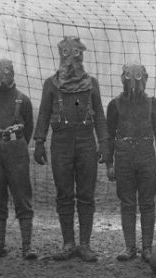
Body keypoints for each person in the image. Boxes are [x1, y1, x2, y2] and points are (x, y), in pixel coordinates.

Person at [33, 36, 108, 262]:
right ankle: (68, 243)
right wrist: (39, 141)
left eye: (77, 55)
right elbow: (44, 113)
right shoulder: (51, 84)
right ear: (61, 57)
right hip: (61, 142)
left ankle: (84, 245)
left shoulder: (91, 84)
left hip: (86, 140)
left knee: (86, 194)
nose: (72, 62)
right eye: (68, 56)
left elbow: (100, 116)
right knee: (64, 193)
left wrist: (103, 142)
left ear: (82, 56)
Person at [105, 63, 156, 262]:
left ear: (146, 79)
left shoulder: (153, 104)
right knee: (127, 202)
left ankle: (146, 248)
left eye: (138, 77)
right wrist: (109, 165)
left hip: (146, 154)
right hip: (123, 156)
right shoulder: (115, 104)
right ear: (122, 79)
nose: (133, 82)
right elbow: (109, 135)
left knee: (147, 202)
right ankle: (130, 247)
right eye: (129, 77)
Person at [0, 59, 37, 260]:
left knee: (22, 195)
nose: (2, 77)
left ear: (12, 73)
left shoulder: (23, 100)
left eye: (6, 72)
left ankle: (27, 246)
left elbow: (28, 128)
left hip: (16, 149)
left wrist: (15, 143)